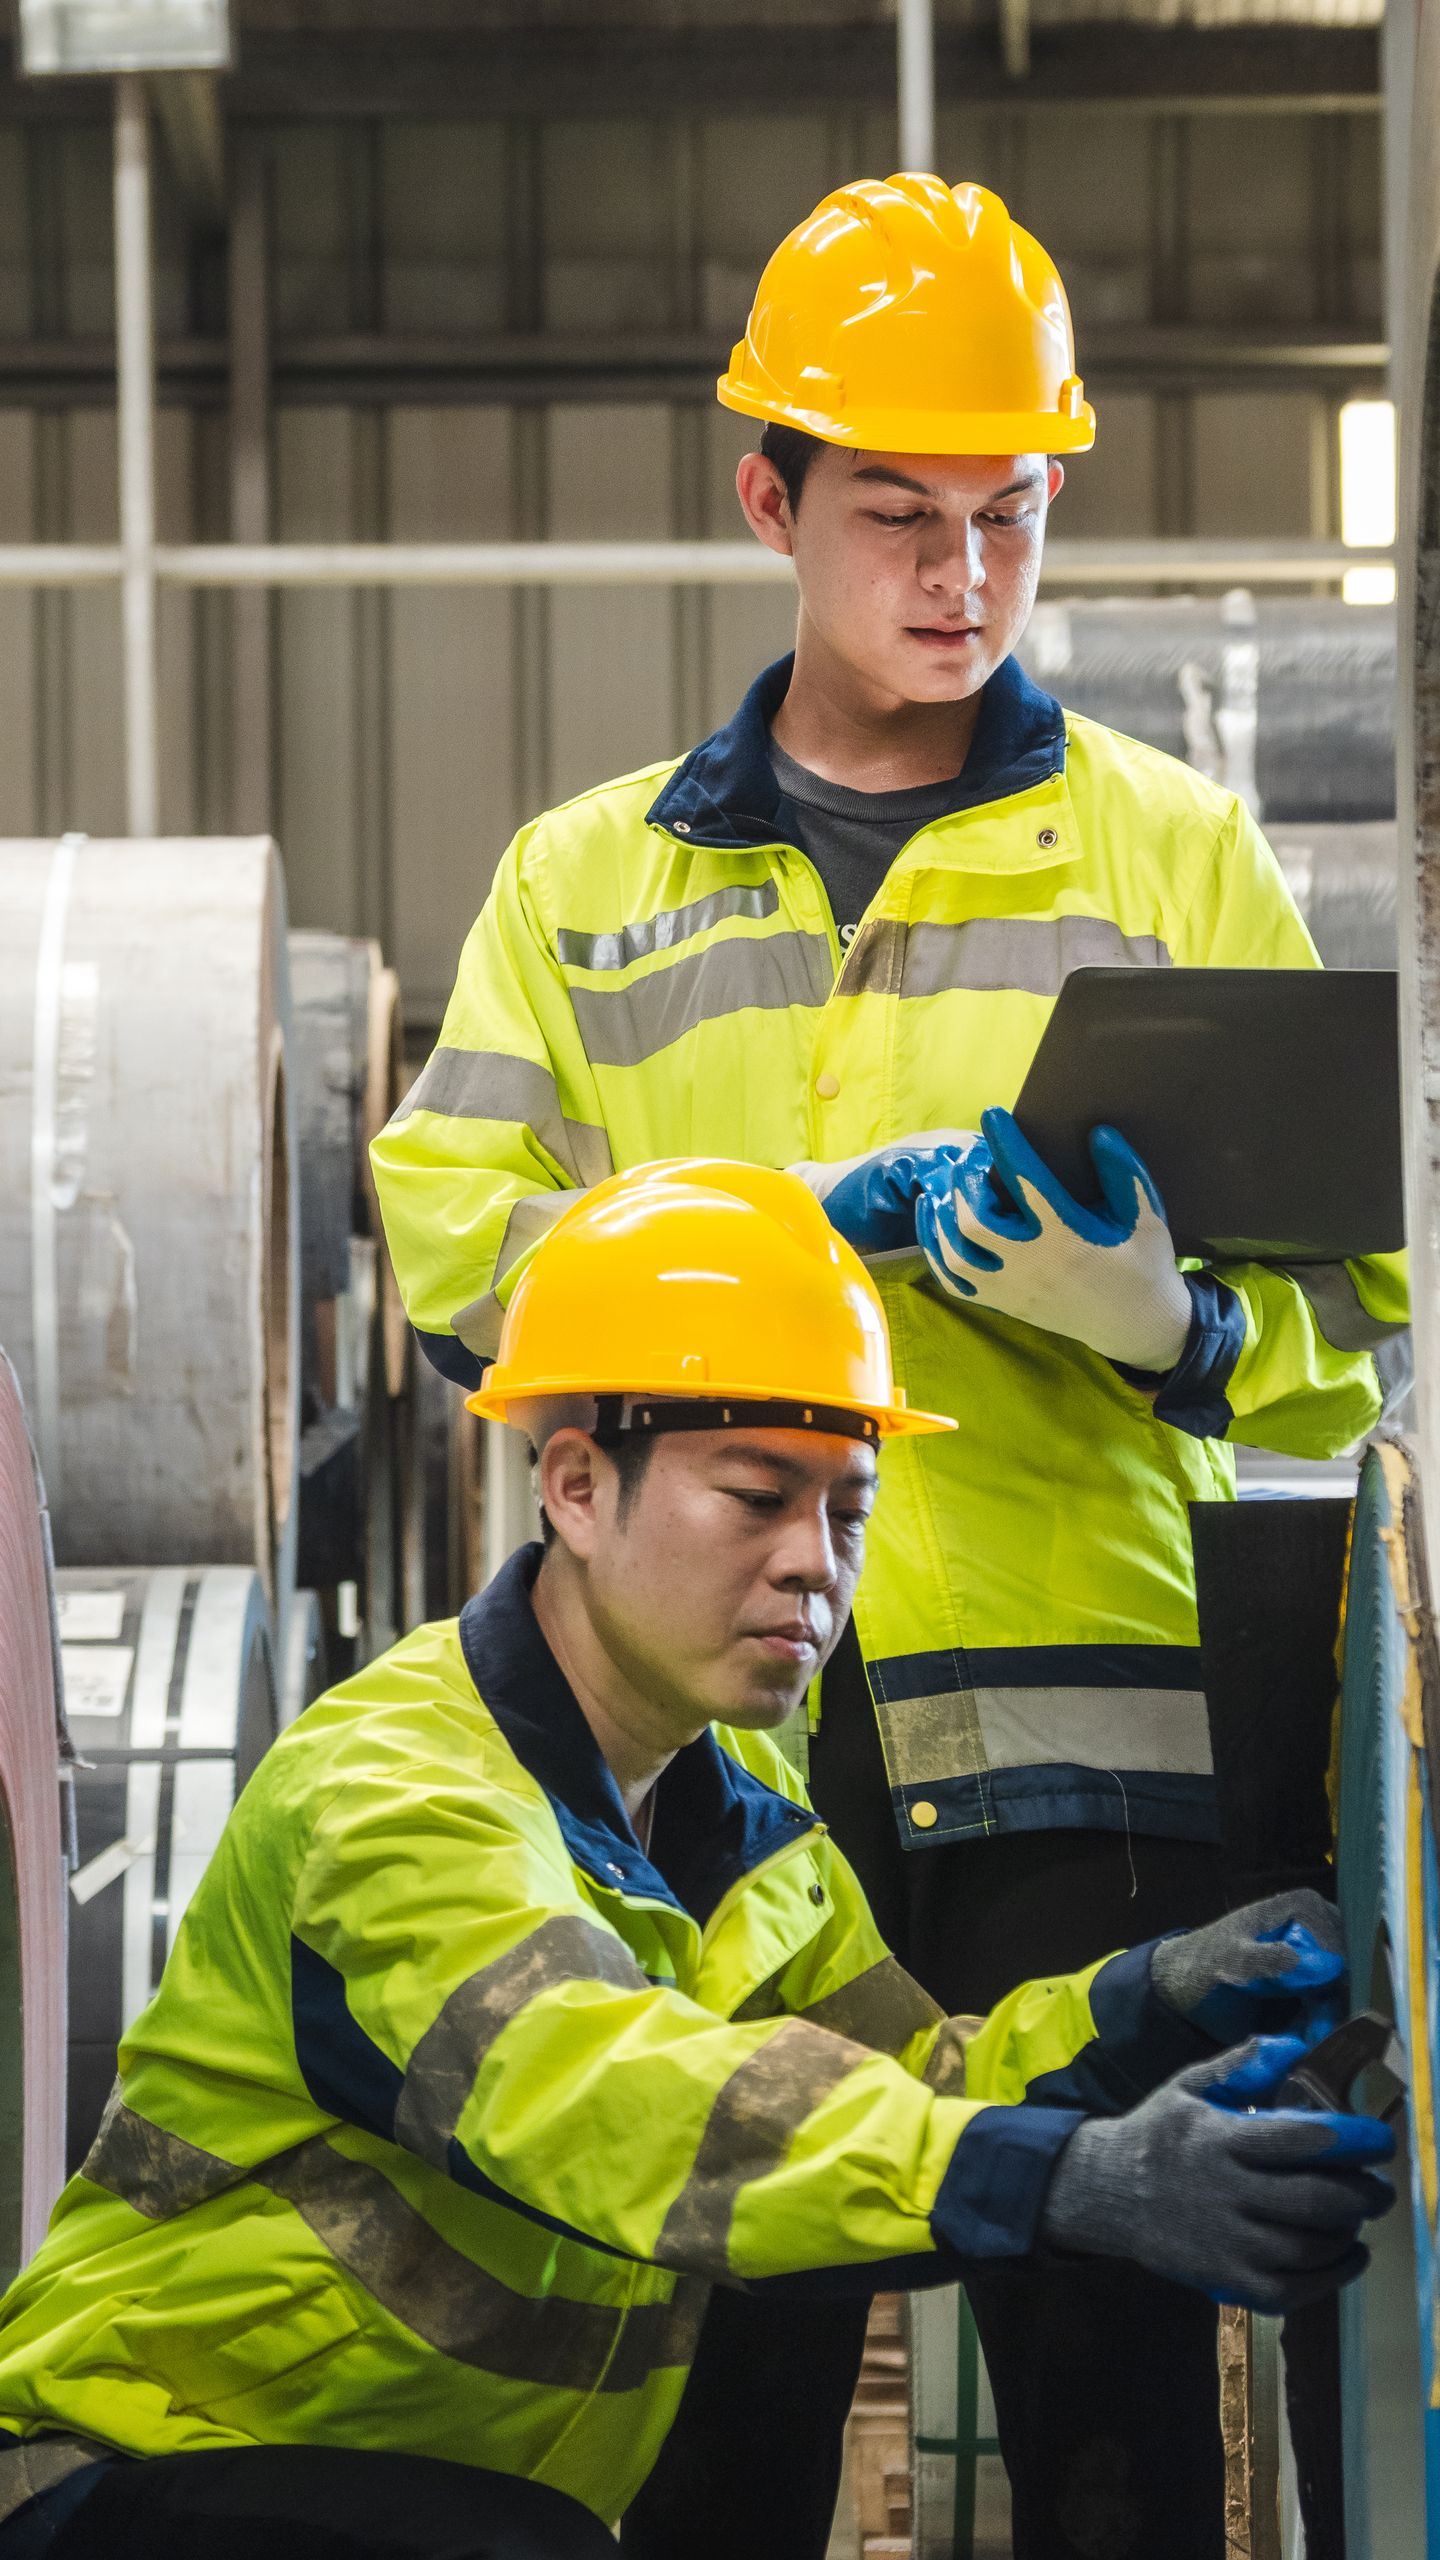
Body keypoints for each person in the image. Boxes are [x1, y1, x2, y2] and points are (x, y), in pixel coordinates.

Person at [369, 176, 1410, 2560]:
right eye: (900, 514)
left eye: (1011, 514)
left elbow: (1361, 1329)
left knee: (1120, 2431)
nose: (962, 573)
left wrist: (1172, 1324)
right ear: (770, 500)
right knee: (709, 2410)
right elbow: (454, 1257)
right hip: (705, 1762)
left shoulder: (1169, 854)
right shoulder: (589, 884)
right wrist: (757, 1246)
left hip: (1088, 1753)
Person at [0, 1164, 1393, 2560]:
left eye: (848, 1513)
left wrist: (1144, 2005)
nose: (815, 1567)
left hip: (420, 2499)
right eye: (754, 1496)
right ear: (577, 1488)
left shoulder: (744, 1833)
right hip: (129, 2482)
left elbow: (905, 2092)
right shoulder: (396, 1796)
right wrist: (1076, 2180)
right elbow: (604, 2097)